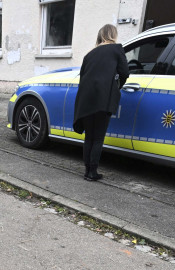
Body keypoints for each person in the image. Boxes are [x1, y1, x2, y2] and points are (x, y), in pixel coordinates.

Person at [72, 24, 129, 181]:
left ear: (100, 35)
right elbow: (125, 72)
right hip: (103, 98)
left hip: (86, 99)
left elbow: (83, 77)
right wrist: (116, 87)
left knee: (89, 137)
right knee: (98, 138)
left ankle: (87, 170)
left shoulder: (89, 54)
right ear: (113, 35)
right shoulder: (117, 49)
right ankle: (93, 172)